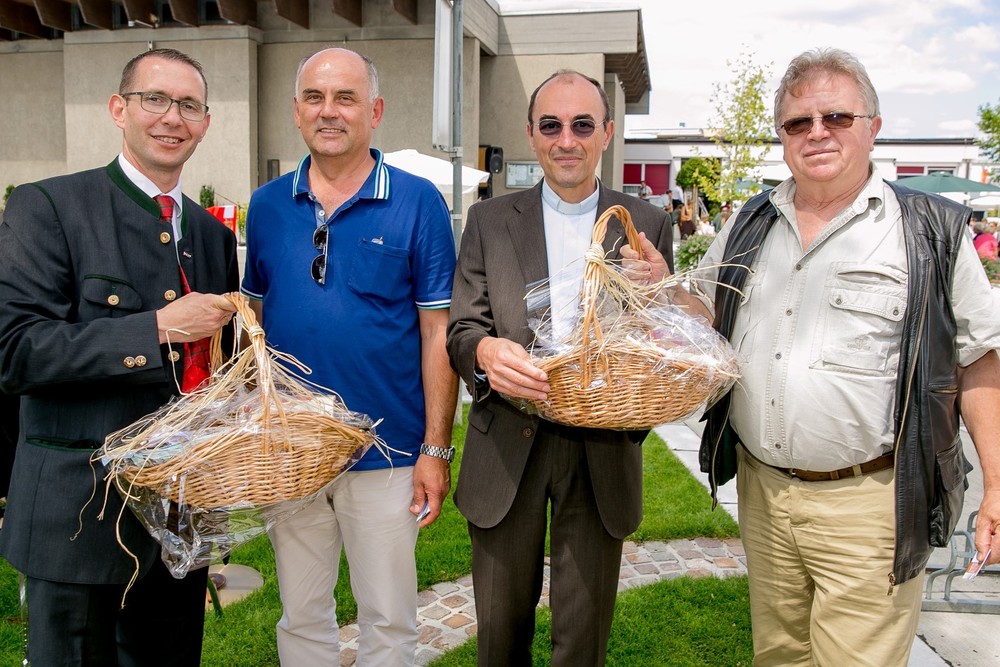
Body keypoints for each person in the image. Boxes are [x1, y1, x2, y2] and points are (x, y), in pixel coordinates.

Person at [625, 47, 1000, 666]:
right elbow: (707, 311)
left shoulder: (928, 231)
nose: (817, 133)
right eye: (799, 122)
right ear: (782, 136)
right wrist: (664, 284)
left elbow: (979, 359)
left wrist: (996, 486)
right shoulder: (751, 221)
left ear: (873, 127)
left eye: (837, 117)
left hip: (871, 506)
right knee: (778, 657)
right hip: (764, 494)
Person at [0, 48, 239, 665]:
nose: (172, 117)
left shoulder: (212, 236)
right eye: (154, 99)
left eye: (189, 105)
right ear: (118, 109)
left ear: (206, 122)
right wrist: (155, 328)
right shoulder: (48, 206)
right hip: (76, 522)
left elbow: (214, 376)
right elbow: (17, 352)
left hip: (177, 526)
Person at [446, 69, 673, 666]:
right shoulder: (489, 220)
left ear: (607, 133)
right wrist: (485, 355)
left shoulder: (645, 224)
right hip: (506, 445)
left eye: (582, 125)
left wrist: (662, 294)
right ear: (531, 134)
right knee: (500, 639)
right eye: (551, 125)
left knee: (582, 642)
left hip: (602, 449)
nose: (566, 140)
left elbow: (664, 340)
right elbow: (462, 329)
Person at [240, 47, 458, 666]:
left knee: (388, 620)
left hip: (387, 454)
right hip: (291, 452)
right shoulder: (267, 205)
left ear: (375, 111)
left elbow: (437, 333)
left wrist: (436, 449)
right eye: (314, 97)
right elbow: (252, 324)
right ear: (296, 110)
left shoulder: (418, 201)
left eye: (345, 98)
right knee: (302, 616)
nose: (328, 111)